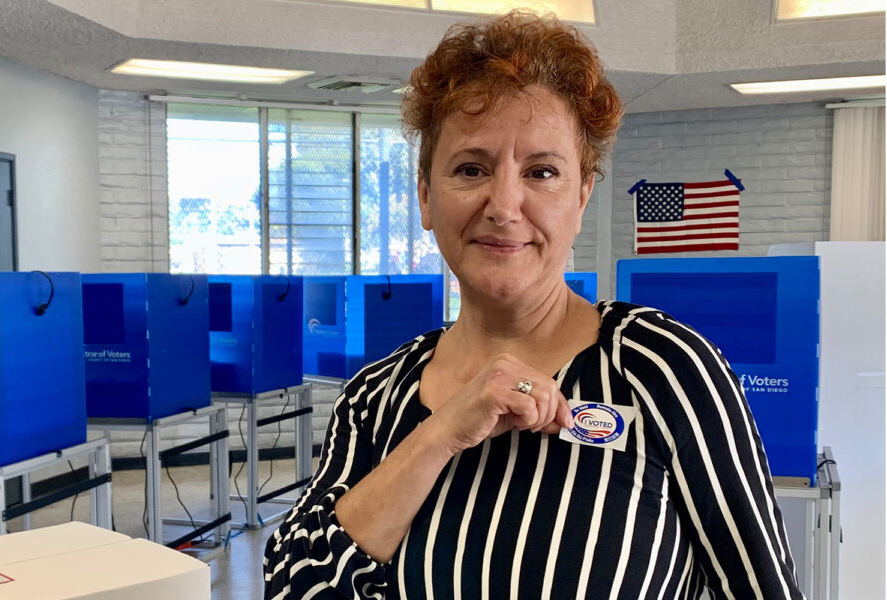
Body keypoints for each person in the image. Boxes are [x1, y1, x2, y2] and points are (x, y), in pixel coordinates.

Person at [265, 11, 803, 600]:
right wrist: (438, 434)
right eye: (471, 169)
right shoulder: (375, 399)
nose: (504, 205)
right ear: (425, 197)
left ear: (580, 197)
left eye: (542, 171)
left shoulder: (663, 370)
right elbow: (294, 585)